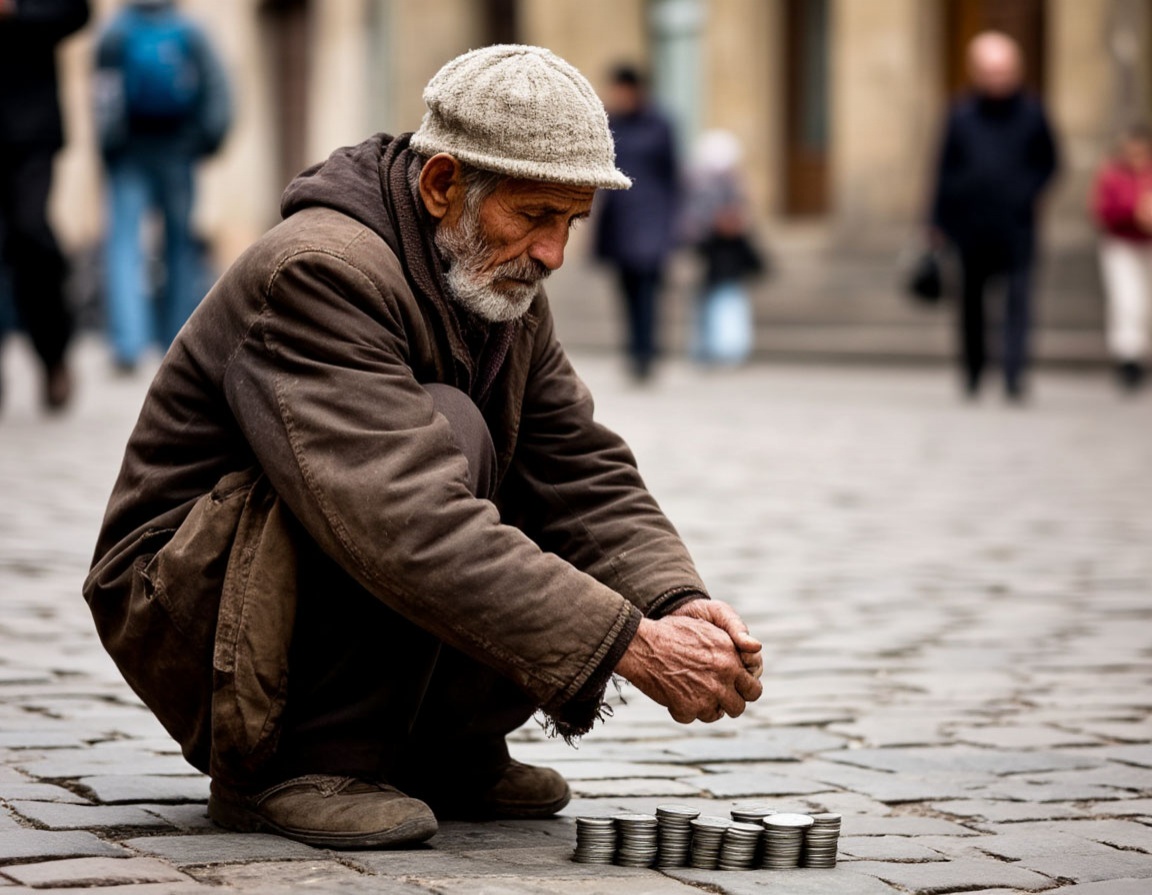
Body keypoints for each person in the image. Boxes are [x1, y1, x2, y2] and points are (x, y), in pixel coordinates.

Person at [84, 45, 763, 851]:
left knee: (503, 448)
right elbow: (403, 516)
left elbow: (578, 464)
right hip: (192, 602)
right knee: (450, 431)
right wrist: (632, 645)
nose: (554, 253)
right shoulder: (320, 270)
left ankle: (439, 747)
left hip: (310, 549)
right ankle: (303, 763)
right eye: (535, 216)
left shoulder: (498, 281)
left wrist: (671, 600)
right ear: (442, 186)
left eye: (571, 223)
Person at [93, 0, 231, 372]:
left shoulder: (115, 31)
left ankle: (128, 344)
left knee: (124, 245)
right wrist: (207, 140)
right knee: (179, 247)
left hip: (129, 151)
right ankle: (179, 341)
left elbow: (104, 94)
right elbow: (218, 86)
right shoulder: (190, 30)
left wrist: (107, 147)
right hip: (178, 150)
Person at [930, 31, 1058, 401]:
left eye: (1003, 71)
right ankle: (973, 370)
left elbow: (1049, 162)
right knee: (971, 301)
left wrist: (1026, 193)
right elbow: (943, 169)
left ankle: (1014, 373)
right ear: (976, 72)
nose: (997, 79)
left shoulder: (1032, 112)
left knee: (1018, 299)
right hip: (970, 223)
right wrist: (935, 220)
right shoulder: (961, 114)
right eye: (990, 71)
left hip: (1016, 224)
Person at [0, 0, 90, 411]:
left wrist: (15, 11)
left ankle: (54, 354)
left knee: (31, 235)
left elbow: (75, 11)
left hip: (29, 128)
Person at [593, 64, 679, 382]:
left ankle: (646, 353)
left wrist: (672, 223)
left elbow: (672, 176)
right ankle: (634, 350)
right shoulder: (612, 125)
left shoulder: (659, 126)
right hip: (619, 222)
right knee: (626, 289)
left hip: (651, 220)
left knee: (647, 289)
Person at [681, 130, 764, 366]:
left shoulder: (716, 180)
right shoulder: (707, 181)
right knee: (718, 298)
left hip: (721, 253)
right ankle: (716, 347)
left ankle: (721, 347)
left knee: (722, 298)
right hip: (712, 251)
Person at [1091, 124, 1152, 392]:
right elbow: (1102, 210)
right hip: (1121, 243)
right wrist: (1133, 212)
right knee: (1127, 299)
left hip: (1148, 244)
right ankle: (1128, 356)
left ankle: (1142, 350)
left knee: (1146, 302)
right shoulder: (1112, 174)